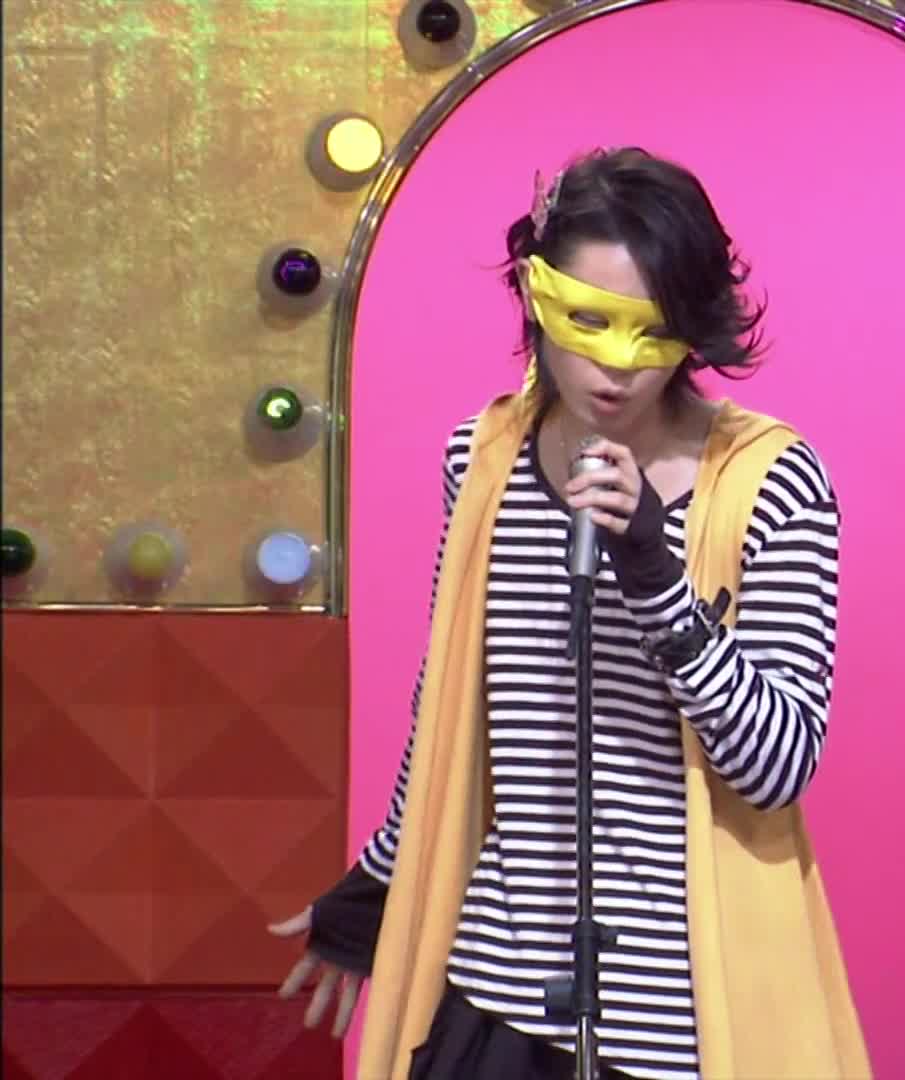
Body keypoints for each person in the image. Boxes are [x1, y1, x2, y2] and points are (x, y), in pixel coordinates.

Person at [268, 147, 869, 1080]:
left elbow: (779, 764)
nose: (615, 368)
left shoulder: (770, 481)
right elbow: (453, 705)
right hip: (496, 999)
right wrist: (380, 882)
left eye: (653, 332)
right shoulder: (484, 459)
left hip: (679, 1029)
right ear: (534, 296)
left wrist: (655, 574)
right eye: (587, 321)